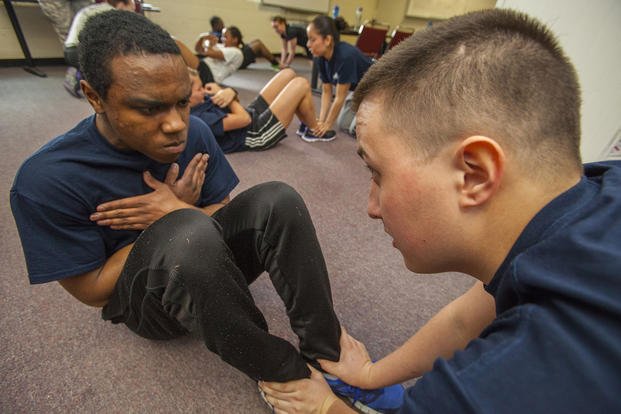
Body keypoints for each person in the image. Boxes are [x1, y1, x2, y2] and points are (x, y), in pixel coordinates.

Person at [9, 10, 402, 413]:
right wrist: (169, 219)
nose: (176, 125)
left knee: (278, 199)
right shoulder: (47, 179)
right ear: (95, 97)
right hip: (149, 307)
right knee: (188, 230)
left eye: (181, 103)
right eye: (149, 109)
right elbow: (91, 291)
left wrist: (178, 209)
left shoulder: (193, 132)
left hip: (207, 264)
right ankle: (284, 376)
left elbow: (223, 213)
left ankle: (328, 352)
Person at [260, 8, 621, 414]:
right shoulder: (597, 185)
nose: (371, 207)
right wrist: (369, 375)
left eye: (376, 173)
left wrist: (325, 408)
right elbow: (469, 318)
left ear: (474, 175)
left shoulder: (498, 382)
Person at [189, 67, 336, 153]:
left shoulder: (200, 99)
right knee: (301, 84)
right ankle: (314, 130)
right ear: (186, 96)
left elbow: (236, 107)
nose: (203, 91)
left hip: (250, 115)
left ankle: (306, 121)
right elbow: (244, 120)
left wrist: (226, 95)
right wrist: (227, 92)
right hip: (256, 134)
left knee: (288, 73)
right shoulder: (200, 120)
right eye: (199, 89)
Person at [303, 15, 372, 141]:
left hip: (377, 88)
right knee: (343, 125)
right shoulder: (320, 58)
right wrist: (321, 121)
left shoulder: (345, 56)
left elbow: (340, 96)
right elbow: (326, 91)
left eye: (312, 40)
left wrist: (328, 125)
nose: (308, 44)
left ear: (327, 40)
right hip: (358, 90)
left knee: (357, 130)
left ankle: (383, 111)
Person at [62, 0, 136, 98]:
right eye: (132, 9)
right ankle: (76, 77)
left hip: (70, 49)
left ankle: (78, 73)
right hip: (79, 52)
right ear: (122, 4)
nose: (132, 13)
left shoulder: (98, 8)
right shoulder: (111, 14)